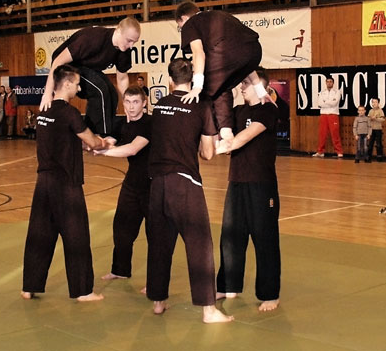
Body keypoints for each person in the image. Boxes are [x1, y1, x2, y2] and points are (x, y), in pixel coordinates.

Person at [146, 58, 232, 323]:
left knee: (159, 244)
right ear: (192, 78)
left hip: (156, 183)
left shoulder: (159, 106)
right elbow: (207, 153)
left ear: (170, 80)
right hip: (185, 184)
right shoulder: (200, 107)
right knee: (199, 244)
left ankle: (158, 302)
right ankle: (208, 310)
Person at [21, 65, 107, 302]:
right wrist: (102, 142)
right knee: (76, 237)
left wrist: (85, 144)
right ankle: (83, 291)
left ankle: (29, 286)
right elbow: (90, 140)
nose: (79, 88)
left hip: (43, 183)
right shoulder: (69, 113)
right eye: (77, 84)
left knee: (39, 236)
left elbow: (63, 139)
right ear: (67, 84)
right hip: (66, 184)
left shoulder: (44, 111)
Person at [214, 68, 281, 312]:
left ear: (260, 85)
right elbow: (224, 133)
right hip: (237, 182)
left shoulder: (267, 110)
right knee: (230, 237)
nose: (241, 87)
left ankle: (270, 294)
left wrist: (220, 148)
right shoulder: (237, 111)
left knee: (265, 240)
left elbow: (243, 138)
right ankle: (227, 285)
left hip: (261, 185)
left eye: (245, 83)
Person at [175, 2, 269, 145]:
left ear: (183, 18)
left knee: (205, 89)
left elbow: (198, 53)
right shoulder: (220, 15)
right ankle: (226, 132)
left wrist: (197, 87)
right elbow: (243, 57)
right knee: (222, 84)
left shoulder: (191, 23)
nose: (182, 29)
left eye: (179, 26)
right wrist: (260, 90)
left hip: (228, 54)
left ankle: (208, 137)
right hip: (255, 51)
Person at [39, 17, 141, 137]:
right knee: (100, 90)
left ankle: (107, 132)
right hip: (67, 66)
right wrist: (47, 93)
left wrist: (127, 105)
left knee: (112, 93)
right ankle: (93, 134)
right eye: (129, 41)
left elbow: (122, 79)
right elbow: (57, 62)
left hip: (88, 68)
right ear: (118, 31)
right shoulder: (94, 38)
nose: (131, 46)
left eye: (134, 42)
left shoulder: (124, 51)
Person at [95, 86, 151, 281]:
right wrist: (95, 143)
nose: (131, 106)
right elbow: (110, 139)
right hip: (132, 184)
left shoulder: (149, 123)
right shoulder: (121, 122)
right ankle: (120, 270)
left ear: (144, 103)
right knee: (121, 229)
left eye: (136, 102)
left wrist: (103, 152)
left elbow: (132, 149)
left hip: (153, 186)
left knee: (155, 236)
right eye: (127, 102)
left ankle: (155, 282)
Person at [313, 76, 343, 158]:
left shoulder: (337, 92)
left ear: (333, 83)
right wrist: (329, 102)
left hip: (333, 114)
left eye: (330, 81)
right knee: (322, 133)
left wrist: (325, 102)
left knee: (335, 133)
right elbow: (319, 103)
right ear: (326, 83)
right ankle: (320, 151)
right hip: (323, 114)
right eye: (328, 81)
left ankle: (339, 152)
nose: (329, 83)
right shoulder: (322, 92)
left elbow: (335, 103)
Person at [367, 97, 385, 161]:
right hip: (371, 129)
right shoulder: (370, 111)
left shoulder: (380, 111)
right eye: (373, 102)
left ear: (378, 103)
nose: (374, 103)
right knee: (370, 143)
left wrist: (376, 118)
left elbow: (383, 119)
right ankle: (369, 155)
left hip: (378, 129)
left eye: (376, 102)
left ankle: (379, 156)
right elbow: (368, 119)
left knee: (378, 143)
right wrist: (371, 118)